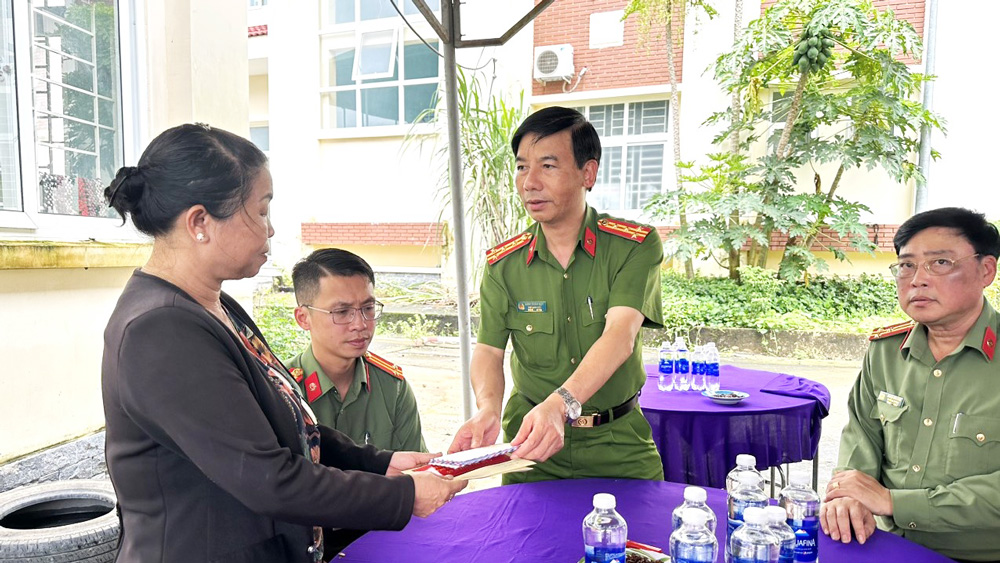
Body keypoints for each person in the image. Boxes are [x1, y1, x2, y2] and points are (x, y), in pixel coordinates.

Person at [101, 123, 464, 563]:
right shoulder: (161, 328)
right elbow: (266, 476)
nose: (270, 230)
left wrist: (378, 463)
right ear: (200, 222)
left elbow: (281, 423)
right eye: (261, 210)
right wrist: (402, 497)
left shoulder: (211, 304)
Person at [448, 106, 665, 483]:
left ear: (588, 173)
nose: (529, 182)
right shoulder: (504, 265)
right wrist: (488, 409)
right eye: (521, 167)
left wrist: (561, 404)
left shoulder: (634, 246)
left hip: (617, 443)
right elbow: (488, 350)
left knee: (645, 540)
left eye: (547, 166)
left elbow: (620, 336)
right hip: (531, 448)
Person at [821, 207, 1000, 562]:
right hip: (882, 547)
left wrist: (893, 503)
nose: (917, 279)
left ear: (986, 270)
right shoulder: (885, 352)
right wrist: (847, 494)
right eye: (906, 265)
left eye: (940, 263)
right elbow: (861, 436)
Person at [285, 248, 427, 452]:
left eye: (368, 308)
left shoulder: (392, 387)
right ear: (303, 318)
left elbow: (415, 471)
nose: (360, 324)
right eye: (342, 312)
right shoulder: (284, 389)